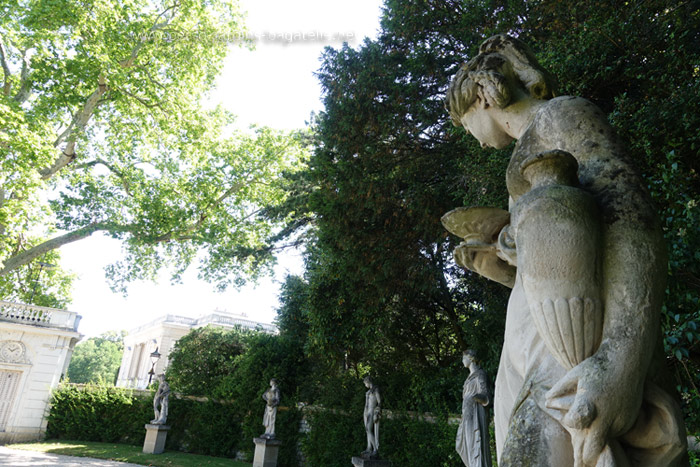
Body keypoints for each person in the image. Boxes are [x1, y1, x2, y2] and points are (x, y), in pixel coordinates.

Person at [444, 34, 686, 466]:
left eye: (465, 122)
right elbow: (557, 264)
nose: (471, 136)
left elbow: (633, 224)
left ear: (481, 94)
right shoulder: (524, 151)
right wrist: (500, 268)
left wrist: (619, 361)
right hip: (536, 349)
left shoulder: (561, 115)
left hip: (569, 351)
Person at [456, 350, 492, 467]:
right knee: (464, 445)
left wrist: (474, 397)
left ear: (470, 358)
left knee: (476, 445)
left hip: (476, 414)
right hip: (467, 414)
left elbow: (486, 396)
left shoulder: (480, 374)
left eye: (464, 358)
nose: (462, 361)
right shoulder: (468, 378)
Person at [362, 376, 381, 458]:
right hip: (367, 412)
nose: (365, 385)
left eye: (365, 383)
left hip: (372, 411)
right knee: (367, 430)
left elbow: (379, 401)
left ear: (368, 382)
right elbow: (366, 404)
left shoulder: (375, 390)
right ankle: (369, 447)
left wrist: (377, 411)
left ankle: (375, 449)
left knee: (368, 429)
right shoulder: (368, 392)